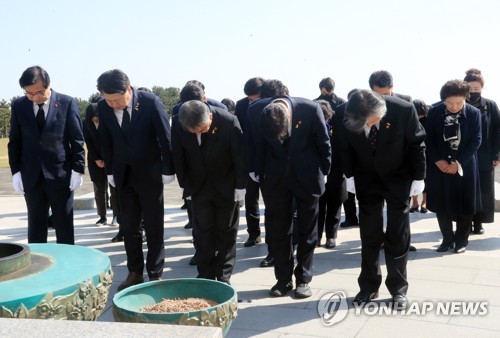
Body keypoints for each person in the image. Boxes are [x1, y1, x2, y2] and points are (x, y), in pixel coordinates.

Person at [339, 89, 426, 309]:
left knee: (398, 235)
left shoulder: (403, 110)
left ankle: (398, 289)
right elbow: (344, 147)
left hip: (398, 177)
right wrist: (348, 174)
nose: (372, 125)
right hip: (366, 178)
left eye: (375, 120)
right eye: (367, 123)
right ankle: (368, 287)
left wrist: (419, 178)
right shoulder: (343, 113)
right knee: (369, 234)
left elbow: (417, 144)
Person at [96, 69, 175, 291]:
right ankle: (134, 272)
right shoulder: (103, 108)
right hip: (123, 175)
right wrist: (110, 170)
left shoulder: (150, 102)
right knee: (129, 226)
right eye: (108, 100)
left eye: (117, 99)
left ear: (128, 90)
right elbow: (106, 140)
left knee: (153, 225)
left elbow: (164, 136)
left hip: (150, 174)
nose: (113, 104)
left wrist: (168, 168)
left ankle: (155, 272)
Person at [252, 94, 331, 298]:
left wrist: (325, 171)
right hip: (275, 180)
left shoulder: (310, 109)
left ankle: (303, 279)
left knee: (307, 230)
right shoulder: (262, 114)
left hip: (307, 176)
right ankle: (283, 279)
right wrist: (257, 173)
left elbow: (323, 142)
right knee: (279, 230)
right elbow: (258, 147)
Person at [171, 100, 246, 284]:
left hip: (226, 185)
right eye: (194, 131)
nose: (198, 134)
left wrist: (240, 187)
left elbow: (240, 155)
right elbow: (178, 155)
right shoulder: (179, 123)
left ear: (210, 117)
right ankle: (204, 274)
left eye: (202, 129)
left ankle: (223, 276)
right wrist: (185, 185)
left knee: (226, 232)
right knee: (201, 232)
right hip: (198, 186)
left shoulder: (229, 122)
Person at [9, 65, 85, 244]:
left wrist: (77, 169)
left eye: (39, 92)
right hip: (32, 176)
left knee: (64, 225)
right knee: (35, 226)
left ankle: (67, 266)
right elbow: (15, 142)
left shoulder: (67, 103)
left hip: (61, 175)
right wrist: (16, 172)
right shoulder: (19, 106)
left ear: (49, 85)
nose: (34, 97)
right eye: (29, 93)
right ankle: (39, 266)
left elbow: (77, 139)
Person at [426, 80, 482, 254]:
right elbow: (428, 138)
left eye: (459, 102)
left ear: (465, 98)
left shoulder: (474, 113)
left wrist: (458, 163)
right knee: (442, 204)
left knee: (465, 204)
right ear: (443, 100)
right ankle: (447, 239)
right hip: (440, 166)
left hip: (464, 165)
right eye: (449, 103)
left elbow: (476, 140)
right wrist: (438, 161)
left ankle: (461, 241)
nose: (454, 106)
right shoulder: (434, 112)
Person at [246, 79, 289, 268]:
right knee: (291, 213)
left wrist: (254, 168)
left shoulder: (254, 108)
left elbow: (252, 142)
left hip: (267, 170)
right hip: (293, 168)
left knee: (272, 212)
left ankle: (273, 252)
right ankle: (289, 247)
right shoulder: (293, 105)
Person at [464, 69, 500, 234]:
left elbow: (497, 131)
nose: (473, 92)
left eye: (477, 89)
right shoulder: (459, 104)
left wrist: (496, 155)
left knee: (484, 191)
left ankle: (479, 223)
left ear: (482, 88)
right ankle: (464, 222)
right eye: (470, 88)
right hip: (464, 157)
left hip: (485, 156)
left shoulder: (490, 105)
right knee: (466, 190)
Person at [234, 77, 265, 248]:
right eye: (249, 98)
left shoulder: (271, 103)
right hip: (249, 158)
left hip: (269, 160)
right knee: (250, 198)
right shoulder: (241, 105)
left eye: (254, 98)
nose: (251, 101)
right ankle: (254, 234)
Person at [315, 99, 347, 248]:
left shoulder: (338, 125)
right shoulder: (311, 126)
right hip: (317, 171)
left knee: (334, 204)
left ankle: (331, 236)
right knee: (318, 206)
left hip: (336, 170)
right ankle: (317, 236)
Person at [83, 102, 120, 227]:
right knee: (99, 190)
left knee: (114, 190)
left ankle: (116, 215)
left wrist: (108, 159)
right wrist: (96, 159)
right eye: (94, 115)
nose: (96, 118)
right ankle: (102, 216)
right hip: (95, 162)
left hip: (111, 160)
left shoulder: (108, 122)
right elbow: (88, 143)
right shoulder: (86, 124)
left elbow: (112, 142)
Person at [410, 99, 431, 213]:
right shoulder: (409, 119)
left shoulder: (429, 120)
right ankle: (414, 203)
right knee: (413, 178)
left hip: (427, 153)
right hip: (412, 153)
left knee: (426, 179)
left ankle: (424, 203)